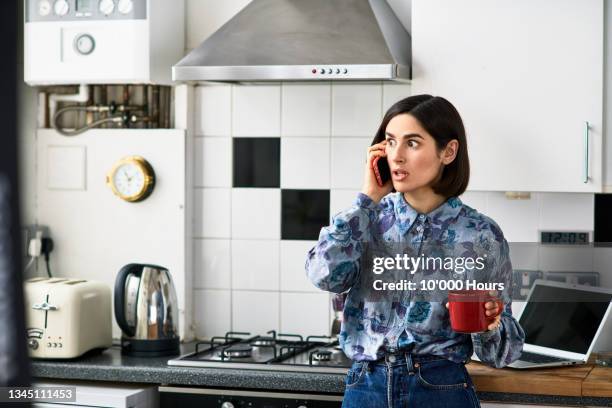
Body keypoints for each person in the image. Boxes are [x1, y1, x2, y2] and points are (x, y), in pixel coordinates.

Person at [305, 95, 525, 407]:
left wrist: (488, 327)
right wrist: (368, 198)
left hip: (441, 389)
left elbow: (502, 353)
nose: (397, 156)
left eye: (412, 143)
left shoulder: (480, 235)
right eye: (391, 142)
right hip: (365, 387)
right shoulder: (367, 219)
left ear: (448, 151)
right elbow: (322, 275)